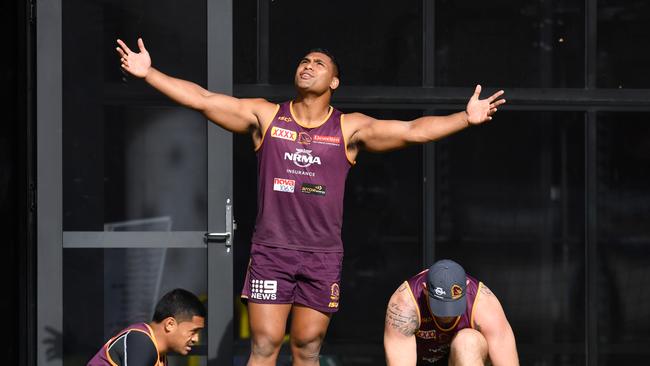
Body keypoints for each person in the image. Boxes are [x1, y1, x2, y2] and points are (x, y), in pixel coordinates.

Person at [115, 38, 506, 366]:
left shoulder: (348, 127)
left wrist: (464, 118)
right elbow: (203, 99)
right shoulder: (266, 117)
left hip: (321, 257)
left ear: (334, 80)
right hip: (272, 252)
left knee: (307, 348)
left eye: (319, 63)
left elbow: (411, 130)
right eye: (304, 61)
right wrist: (149, 73)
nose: (308, 66)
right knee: (265, 345)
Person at [383, 259, 519, 365]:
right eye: (441, 306)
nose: (448, 314)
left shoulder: (484, 303)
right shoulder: (404, 305)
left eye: (454, 305)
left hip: (468, 361)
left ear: (466, 287)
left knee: (467, 342)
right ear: (425, 291)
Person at [87, 288, 206, 366]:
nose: (196, 339)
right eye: (193, 331)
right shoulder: (141, 341)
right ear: (170, 324)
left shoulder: (160, 358)